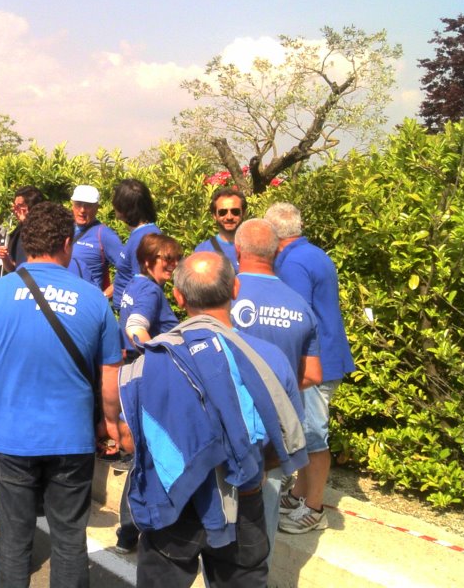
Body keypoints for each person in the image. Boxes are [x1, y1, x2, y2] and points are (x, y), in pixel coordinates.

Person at [0, 202, 124, 588]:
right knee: (68, 540)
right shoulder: (94, 299)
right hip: (70, 438)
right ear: (67, 242)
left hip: (8, 436)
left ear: (26, 241)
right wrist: (109, 422)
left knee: (14, 541)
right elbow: (110, 374)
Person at [118, 252, 307, 588]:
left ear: (177, 297)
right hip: (244, 498)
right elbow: (285, 440)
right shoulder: (269, 358)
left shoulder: (151, 359)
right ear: (235, 288)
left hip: (172, 502)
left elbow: (132, 440)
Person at [230, 218, 322, 551]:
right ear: (276, 252)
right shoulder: (300, 305)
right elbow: (313, 374)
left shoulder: (224, 292)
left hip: (229, 420)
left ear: (238, 250)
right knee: (264, 513)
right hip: (277, 426)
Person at [265, 202, 355, 535]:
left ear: (274, 234)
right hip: (327, 357)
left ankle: (314, 508)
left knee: (314, 435)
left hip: (315, 363)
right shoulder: (313, 253)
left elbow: (295, 317)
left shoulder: (293, 263)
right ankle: (300, 494)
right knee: (304, 431)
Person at [113, 233, 182, 555]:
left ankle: (129, 532)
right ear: (147, 260)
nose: (173, 264)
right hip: (148, 378)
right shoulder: (150, 290)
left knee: (143, 456)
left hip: (131, 374)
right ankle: (135, 531)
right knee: (149, 457)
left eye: (175, 258)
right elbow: (136, 327)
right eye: (166, 259)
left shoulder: (133, 285)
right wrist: (158, 350)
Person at [111, 178, 161, 311]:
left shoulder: (145, 238)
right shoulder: (140, 234)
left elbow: (144, 287)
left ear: (125, 206)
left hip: (133, 317)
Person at [68, 185, 123, 296]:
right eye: (78, 204)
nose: (82, 210)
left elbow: (128, 270)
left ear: (97, 208)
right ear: (72, 205)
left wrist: (104, 296)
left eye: (88, 206)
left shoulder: (104, 235)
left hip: (87, 306)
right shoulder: (62, 229)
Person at [194, 188, 247, 272]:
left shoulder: (256, 247)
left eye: (235, 211)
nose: (229, 217)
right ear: (214, 215)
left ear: (243, 213)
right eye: (223, 212)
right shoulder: (203, 250)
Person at [0, 186, 44, 274]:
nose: (15, 210)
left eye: (20, 206)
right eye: (15, 206)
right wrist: (5, 258)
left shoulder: (46, 231)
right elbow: (13, 268)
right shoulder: (17, 232)